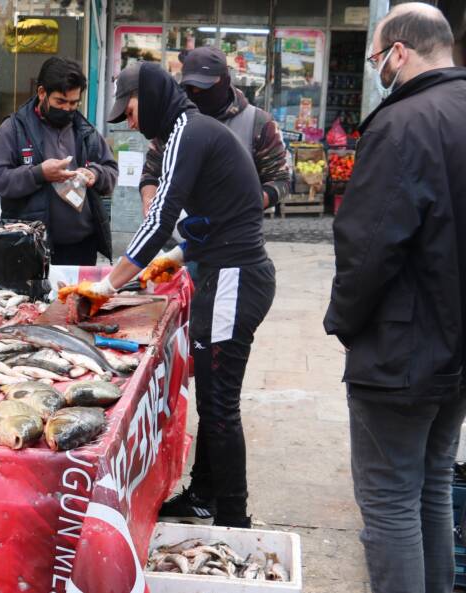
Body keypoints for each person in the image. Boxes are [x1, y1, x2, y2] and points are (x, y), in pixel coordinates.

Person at [60, 62, 276, 528]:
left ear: (153, 96)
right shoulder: (191, 130)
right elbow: (218, 216)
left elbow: (158, 219)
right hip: (226, 274)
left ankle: (234, 523)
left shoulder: (188, 132)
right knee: (214, 401)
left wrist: (106, 285)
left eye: (131, 110)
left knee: (221, 407)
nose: (130, 122)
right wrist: (178, 257)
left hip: (234, 280)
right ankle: (206, 498)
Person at [323, 5, 466, 592]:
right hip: (453, 349)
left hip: (403, 350)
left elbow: (367, 247)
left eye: (377, 56)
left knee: (389, 503)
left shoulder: (402, 124)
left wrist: (346, 323)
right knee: (430, 486)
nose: (377, 67)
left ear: (400, 53)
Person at [0, 57, 118, 265]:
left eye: (74, 103)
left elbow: (110, 170)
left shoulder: (86, 131)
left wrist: (95, 173)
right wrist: (39, 173)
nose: (67, 109)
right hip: (29, 247)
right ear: (41, 93)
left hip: (81, 247)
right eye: (60, 102)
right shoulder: (14, 129)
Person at [137, 47, 290, 216]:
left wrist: (245, 205)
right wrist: (150, 202)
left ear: (225, 80)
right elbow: (151, 173)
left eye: (205, 86)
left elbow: (280, 180)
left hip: (235, 235)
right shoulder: (172, 121)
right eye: (192, 87)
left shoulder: (258, 123)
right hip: (175, 230)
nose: (197, 92)